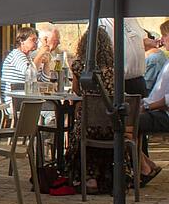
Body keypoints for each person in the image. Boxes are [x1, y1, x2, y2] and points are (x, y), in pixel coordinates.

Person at [68, 27, 135, 193]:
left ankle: (89, 178)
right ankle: (113, 177)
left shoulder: (79, 66)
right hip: (113, 126)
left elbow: (76, 91)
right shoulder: (116, 69)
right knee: (105, 131)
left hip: (89, 127)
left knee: (79, 130)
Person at [137, 19, 169, 184]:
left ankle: (145, 167)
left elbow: (167, 100)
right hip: (157, 109)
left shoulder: (159, 59)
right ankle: (147, 165)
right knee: (126, 122)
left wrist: (147, 106)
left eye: (165, 35)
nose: (162, 39)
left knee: (126, 124)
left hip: (164, 114)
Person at [0, 27, 47, 116]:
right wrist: (40, 54)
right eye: (32, 40)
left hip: (26, 99)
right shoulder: (16, 55)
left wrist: (47, 63)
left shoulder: (28, 58)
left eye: (36, 40)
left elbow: (44, 80)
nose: (36, 42)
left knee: (51, 108)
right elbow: (31, 74)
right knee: (50, 110)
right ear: (22, 41)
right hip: (14, 102)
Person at [100, 17, 148, 97]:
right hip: (116, 82)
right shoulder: (100, 22)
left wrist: (155, 42)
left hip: (137, 80)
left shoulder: (130, 18)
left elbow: (143, 39)